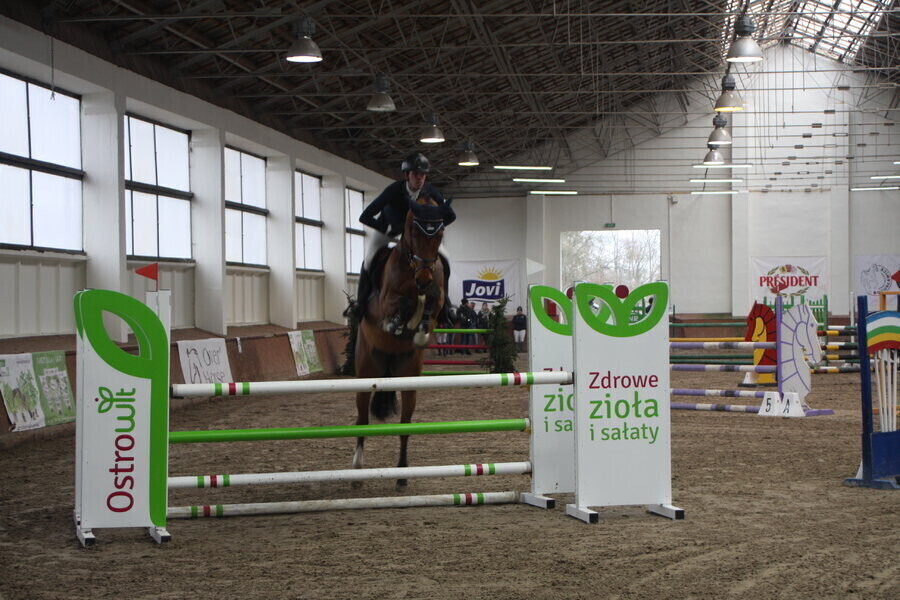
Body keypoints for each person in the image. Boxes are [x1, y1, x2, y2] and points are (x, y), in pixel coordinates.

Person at [354, 152, 456, 319]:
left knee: (446, 258)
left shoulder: (429, 191)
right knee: (369, 260)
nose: (420, 178)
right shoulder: (394, 190)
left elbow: (451, 215)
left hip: (420, 237)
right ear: (407, 175)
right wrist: (384, 228)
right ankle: (361, 302)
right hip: (390, 232)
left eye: (423, 174)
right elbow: (365, 216)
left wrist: (432, 231)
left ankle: (446, 305)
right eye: (416, 174)